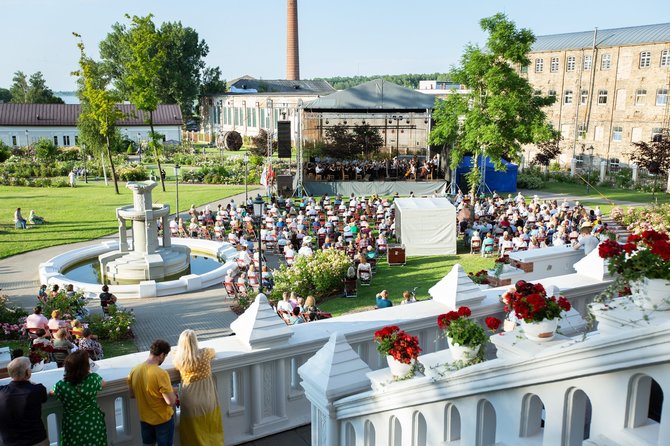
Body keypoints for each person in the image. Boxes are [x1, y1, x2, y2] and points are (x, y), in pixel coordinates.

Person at [173, 330, 224, 445]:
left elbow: (174, 353)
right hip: (207, 398)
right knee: (211, 428)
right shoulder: (205, 354)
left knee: (192, 433)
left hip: (189, 401)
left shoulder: (179, 359)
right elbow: (213, 351)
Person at [52, 350, 107, 445]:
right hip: (92, 420)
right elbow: (104, 383)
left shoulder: (62, 386)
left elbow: (52, 392)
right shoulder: (93, 379)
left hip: (73, 424)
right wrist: (89, 371)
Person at [128, 339, 176, 446]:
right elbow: (170, 401)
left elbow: (132, 395)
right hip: (162, 420)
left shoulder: (134, 370)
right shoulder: (161, 373)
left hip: (144, 420)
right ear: (162, 355)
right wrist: (173, 391)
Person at [0, 357, 49, 446]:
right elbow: (44, 398)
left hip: (9, 442)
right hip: (36, 441)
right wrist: (30, 383)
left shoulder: (1, 392)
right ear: (27, 372)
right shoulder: (37, 390)